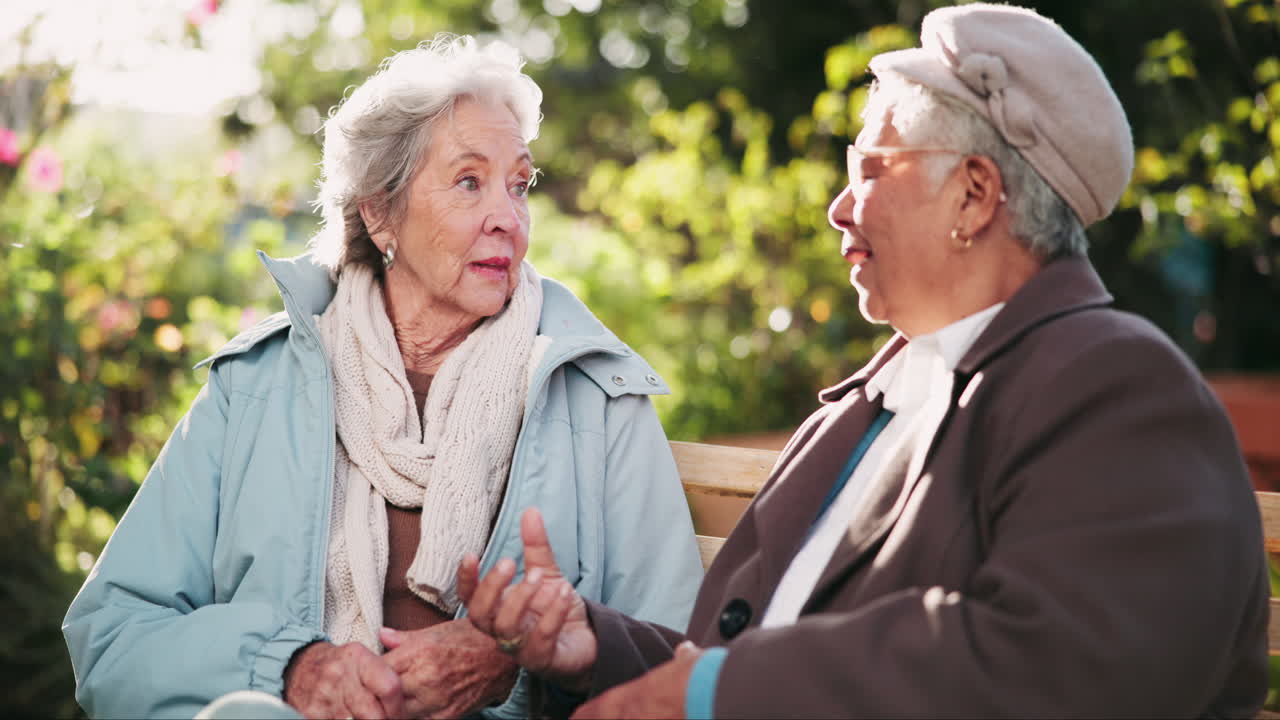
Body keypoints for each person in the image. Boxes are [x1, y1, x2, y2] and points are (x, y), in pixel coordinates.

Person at [459, 4, 1270, 717]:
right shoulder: (872, 402)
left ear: (974, 196)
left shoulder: (1116, 385)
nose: (838, 207)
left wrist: (714, 696)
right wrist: (590, 645)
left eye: (870, 169)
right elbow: (753, 657)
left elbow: (1071, 668)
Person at [61, 35, 702, 720]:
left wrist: (521, 670)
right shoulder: (257, 386)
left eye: (519, 185)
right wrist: (289, 670)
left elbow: (685, 659)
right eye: (468, 182)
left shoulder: (598, 398)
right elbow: (115, 634)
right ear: (378, 210)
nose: (508, 220)